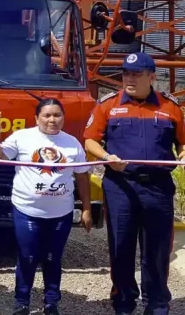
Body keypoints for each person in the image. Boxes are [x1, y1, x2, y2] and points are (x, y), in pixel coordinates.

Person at [83, 52, 185, 315]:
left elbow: (183, 143)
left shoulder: (170, 107)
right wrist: (106, 157)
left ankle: (157, 303)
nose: (129, 79)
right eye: (126, 74)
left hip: (158, 187)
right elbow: (90, 140)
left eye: (136, 74)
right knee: (121, 245)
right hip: (120, 186)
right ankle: (124, 302)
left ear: (152, 77)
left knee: (157, 247)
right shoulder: (108, 105)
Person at [0, 99, 93, 315]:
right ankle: (22, 302)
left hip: (60, 214)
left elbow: (82, 177)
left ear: (63, 118)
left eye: (57, 115)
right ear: (37, 118)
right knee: (27, 256)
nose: (52, 120)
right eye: (47, 115)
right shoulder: (22, 137)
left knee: (53, 257)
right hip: (27, 211)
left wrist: (86, 209)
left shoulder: (72, 143)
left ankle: (51, 302)